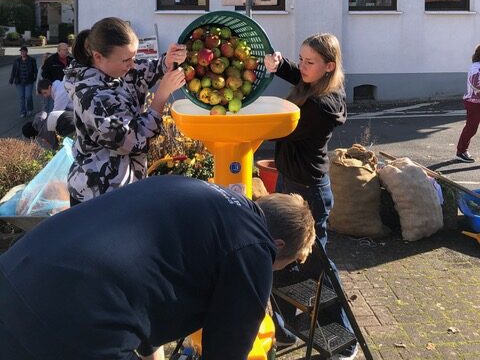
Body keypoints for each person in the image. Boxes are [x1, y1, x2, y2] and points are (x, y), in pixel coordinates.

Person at [0, 175, 316, 360]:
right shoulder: (254, 247)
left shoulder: (198, 192)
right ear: (277, 246)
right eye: (279, 267)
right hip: (77, 319)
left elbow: (147, 266)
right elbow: (227, 352)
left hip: (17, 271)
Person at [265, 33, 358, 360]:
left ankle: (344, 341)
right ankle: (284, 330)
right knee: (279, 260)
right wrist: (282, 67)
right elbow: (301, 77)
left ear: (329, 66)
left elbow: (279, 128)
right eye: (300, 59)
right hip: (289, 182)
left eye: (309, 62)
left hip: (309, 193)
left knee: (314, 268)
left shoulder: (322, 105)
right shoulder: (316, 85)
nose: (302, 66)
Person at [63, 17, 186, 205]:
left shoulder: (115, 69)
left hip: (125, 189)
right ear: (97, 57)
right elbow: (131, 140)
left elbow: (143, 71)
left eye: (135, 56)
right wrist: (160, 97)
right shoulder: (92, 96)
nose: (132, 64)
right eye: (126, 60)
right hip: (100, 196)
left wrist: (166, 62)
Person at [455, 44, 480, 163]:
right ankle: (461, 152)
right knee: (471, 128)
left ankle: (462, 151)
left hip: (475, 102)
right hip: (475, 103)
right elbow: (476, 84)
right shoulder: (476, 68)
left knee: (471, 128)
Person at [8, 46, 38, 118]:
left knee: (28, 96)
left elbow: (35, 71)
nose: (22, 53)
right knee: (21, 97)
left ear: (26, 52)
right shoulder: (17, 61)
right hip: (19, 82)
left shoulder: (32, 60)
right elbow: (14, 71)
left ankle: (30, 109)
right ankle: (23, 112)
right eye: (21, 51)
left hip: (29, 81)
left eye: (23, 51)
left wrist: (36, 79)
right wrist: (11, 79)